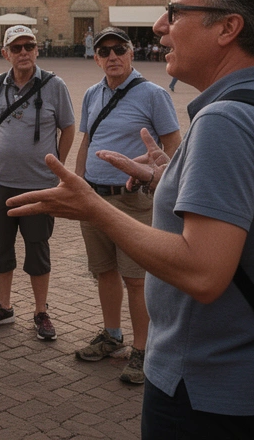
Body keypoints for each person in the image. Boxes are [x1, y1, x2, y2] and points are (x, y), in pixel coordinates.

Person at [7, 0, 254, 439]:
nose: (159, 26)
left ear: (228, 28)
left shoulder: (227, 122)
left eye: (175, 12)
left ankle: (135, 344)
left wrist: (92, 207)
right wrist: (169, 175)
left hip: (209, 390)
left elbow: (202, 272)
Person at [72, 27, 182, 386]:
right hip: (95, 195)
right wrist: (77, 184)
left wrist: (143, 167)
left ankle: (143, 348)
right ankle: (111, 334)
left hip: (133, 200)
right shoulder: (92, 94)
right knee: (103, 271)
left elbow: (173, 147)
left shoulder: (153, 94)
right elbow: (87, 140)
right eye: (105, 51)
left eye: (119, 49)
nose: (112, 56)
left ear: (131, 53)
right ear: (96, 58)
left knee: (136, 278)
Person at [0, 25, 75, 341]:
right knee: (0, 247)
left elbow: (68, 128)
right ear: (5, 54)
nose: (23, 53)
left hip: (38, 183)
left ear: (37, 49)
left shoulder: (54, 85)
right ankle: (4, 306)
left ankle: (40, 311)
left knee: (37, 248)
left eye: (28, 46)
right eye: (16, 48)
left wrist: (57, 169)